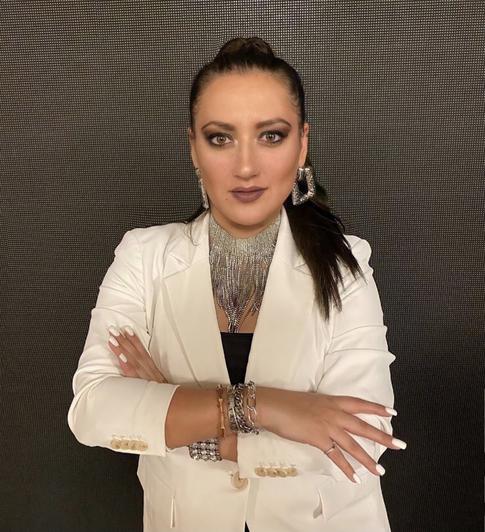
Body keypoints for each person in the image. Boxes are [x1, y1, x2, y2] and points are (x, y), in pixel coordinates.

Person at [67, 36, 407, 532]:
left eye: (271, 135)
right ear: (193, 147)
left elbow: (362, 436)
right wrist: (267, 406)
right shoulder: (143, 256)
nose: (246, 166)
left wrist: (171, 405)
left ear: (302, 144)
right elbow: (94, 410)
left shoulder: (346, 263)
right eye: (220, 138)